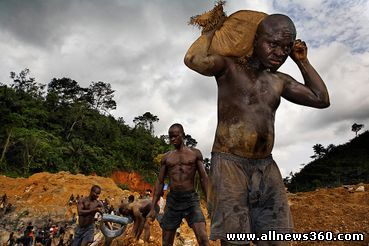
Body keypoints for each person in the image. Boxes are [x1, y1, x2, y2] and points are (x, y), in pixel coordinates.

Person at [184, 13, 330, 246]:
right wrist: (212, 29)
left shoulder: (279, 80)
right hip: (230, 165)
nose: (280, 53)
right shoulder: (229, 68)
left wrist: (302, 61)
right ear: (255, 39)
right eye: (273, 44)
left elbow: (321, 99)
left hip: (266, 167)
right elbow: (193, 59)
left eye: (286, 47)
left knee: (276, 239)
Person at [147, 123, 210, 246]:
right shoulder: (167, 157)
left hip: (191, 200)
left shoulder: (195, 153)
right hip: (173, 201)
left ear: (183, 135)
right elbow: (160, 181)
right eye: (170, 137)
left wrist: (209, 201)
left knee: (203, 239)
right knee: (166, 242)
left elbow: (204, 178)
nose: (172, 139)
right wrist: (153, 207)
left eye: (175, 136)